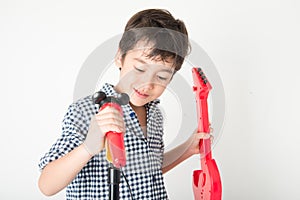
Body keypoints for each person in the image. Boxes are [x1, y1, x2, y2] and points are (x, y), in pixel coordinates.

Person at [38, 8, 212, 199]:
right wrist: (88, 147)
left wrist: (187, 149)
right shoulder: (87, 111)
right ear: (120, 57)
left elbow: (148, 172)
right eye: (139, 69)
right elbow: (47, 185)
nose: (147, 84)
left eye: (161, 76)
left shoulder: (155, 115)